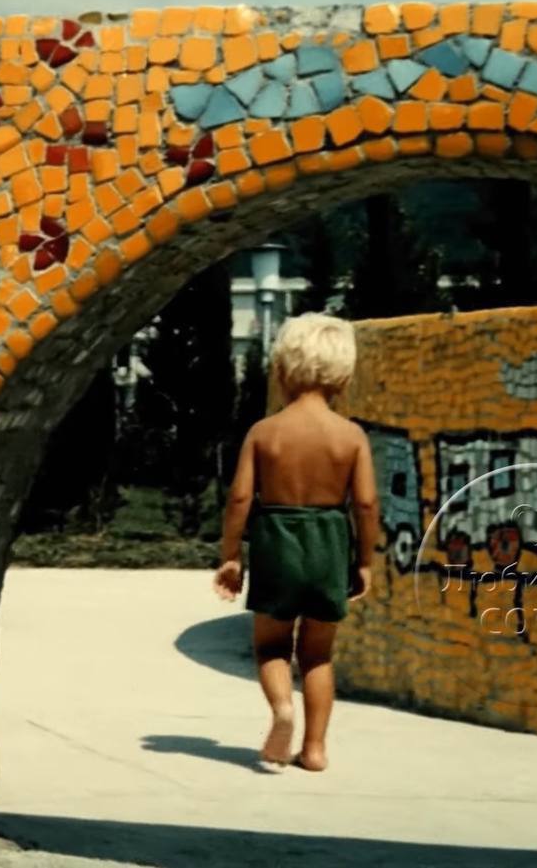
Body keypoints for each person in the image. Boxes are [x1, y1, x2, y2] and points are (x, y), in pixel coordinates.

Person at [213, 312, 380, 771]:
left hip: (276, 541)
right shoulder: (351, 436)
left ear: (282, 370)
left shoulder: (264, 432)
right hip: (329, 542)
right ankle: (315, 748)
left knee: (271, 646)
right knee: (318, 654)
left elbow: (240, 498)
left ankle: (282, 709)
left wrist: (231, 555)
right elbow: (366, 505)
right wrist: (364, 561)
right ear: (343, 377)